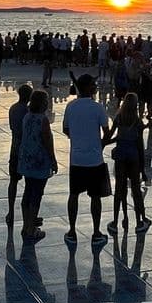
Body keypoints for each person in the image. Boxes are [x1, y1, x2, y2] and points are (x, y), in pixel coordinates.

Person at [60, 73, 111, 244]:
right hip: (94, 159)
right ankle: (96, 232)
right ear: (89, 88)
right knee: (95, 197)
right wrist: (100, 144)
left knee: (73, 194)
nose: (96, 88)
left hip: (77, 159)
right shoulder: (97, 108)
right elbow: (107, 131)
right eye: (94, 86)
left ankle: (72, 231)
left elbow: (66, 129)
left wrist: (77, 138)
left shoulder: (71, 107)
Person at [107, 92, 150, 236]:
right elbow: (140, 146)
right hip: (133, 158)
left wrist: (107, 141)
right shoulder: (137, 122)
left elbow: (112, 136)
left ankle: (114, 221)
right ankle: (139, 221)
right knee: (136, 190)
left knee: (119, 190)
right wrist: (143, 170)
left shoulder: (119, 118)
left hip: (120, 156)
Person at [16, 90, 56, 240]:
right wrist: (53, 160)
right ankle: (31, 228)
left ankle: (26, 225)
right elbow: (47, 142)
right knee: (37, 194)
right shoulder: (43, 120)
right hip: (39, 162)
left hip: (27, 160)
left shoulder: (27, 117)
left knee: (28, 192)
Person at [5, 82, 34, 225]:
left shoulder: (13, 108)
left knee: (13, 181)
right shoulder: (29, 112)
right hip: (26, 150)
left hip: (14, 148)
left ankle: (11, 211)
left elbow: (12, 127)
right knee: (29, 185)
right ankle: (28, 215)